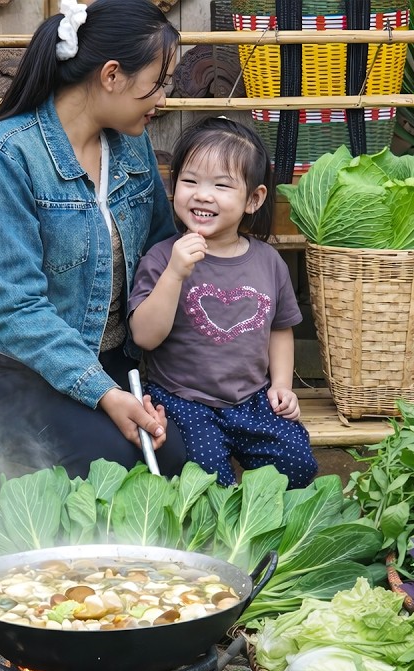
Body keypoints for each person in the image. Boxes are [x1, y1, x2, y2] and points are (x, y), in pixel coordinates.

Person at [0, 0, 188, 479]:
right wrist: (106, 393)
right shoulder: (2, 157)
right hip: (1, 373)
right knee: (114, 464)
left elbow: (160, 248)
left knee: (170, 455)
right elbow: (15, 308)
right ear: (112, 75)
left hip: (108, 362)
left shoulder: (129, 142)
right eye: (158, 83)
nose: (163, 100)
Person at [128, 117, 318, 489]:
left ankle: (263, 529)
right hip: (184, 402)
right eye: (190, 181)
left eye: (221, 185)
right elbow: (144, 337)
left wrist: (281, 385)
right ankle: (220, 538)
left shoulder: (267, 262)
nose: (202, 194)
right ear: (174, 185)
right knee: (209, 480)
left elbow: (280, 328)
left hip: (252, 399)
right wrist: (175, 274)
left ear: (253, 199)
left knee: (298, 463)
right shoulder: (162, 258)